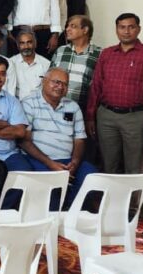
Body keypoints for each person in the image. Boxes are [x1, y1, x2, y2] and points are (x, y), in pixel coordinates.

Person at [87, 13, 143, 175]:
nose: (126, 31)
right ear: (116, 29)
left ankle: (134, 193)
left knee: (135, 166)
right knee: (108, 164)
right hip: (106, 116)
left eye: (131, 27)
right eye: (122, 27)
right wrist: (91, 116)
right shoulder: (107, 54)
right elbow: (96, 85)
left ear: (138, 29)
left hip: (136, 118)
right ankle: (110, 191)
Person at [19, 67, 96, 209]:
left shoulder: (73, 107)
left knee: (91, 175)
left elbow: (79, 139)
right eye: (56, 82)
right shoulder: (29, 103)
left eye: (65, 84)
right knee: (51, 185)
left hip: (67, 160)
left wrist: (75, 162)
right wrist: (51, 164)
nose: (60, 87)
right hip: (38, 159)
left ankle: (69, 212)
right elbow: (24, 141)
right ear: (44, 81)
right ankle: (53, 214)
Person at [50, 14, 101, 113]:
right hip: (56, 108)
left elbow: (99, 86)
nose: (67, 29)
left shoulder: (99, 54)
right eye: (67, 26)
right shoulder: (61, 51)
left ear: (85, 30)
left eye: (73, 26)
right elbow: (49, 78)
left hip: (83, 110)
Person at [9, 30, 50, 100]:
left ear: (35, 44)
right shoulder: (11, 63)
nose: (26, 46)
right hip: (17, 103)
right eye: (22, 43)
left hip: (39, 104)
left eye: (29, 42)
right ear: (18, 45)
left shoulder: (46, 64)